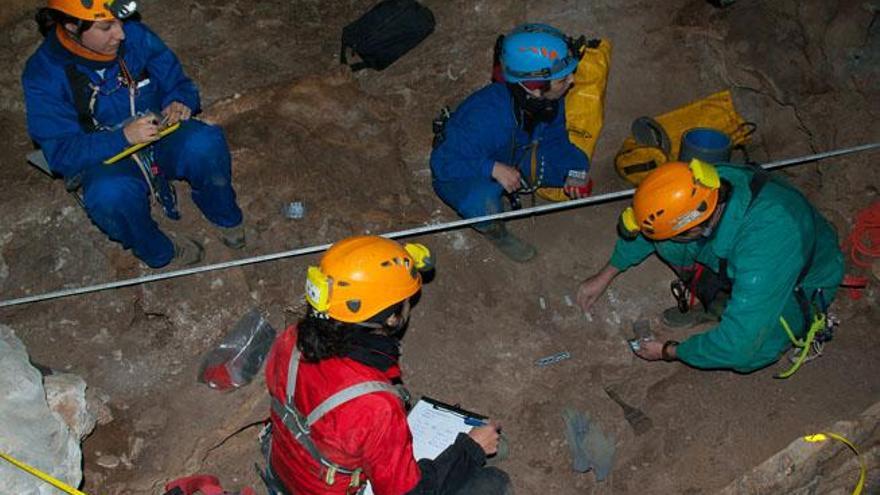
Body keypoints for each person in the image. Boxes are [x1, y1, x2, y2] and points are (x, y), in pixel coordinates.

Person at [262, 236, 512, 494]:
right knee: (493, 483)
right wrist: (471, 449)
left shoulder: (292, 339)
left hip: (288, 473)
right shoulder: (376, 405)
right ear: (391, 319)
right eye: (405, 301)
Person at [22, 0, 244, 268]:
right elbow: (61, 154)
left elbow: (179, 84)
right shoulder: (44, 74)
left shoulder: (136, 37)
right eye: (106, 27)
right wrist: (123, 138)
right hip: (106, 157)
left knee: (205, 143)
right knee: (110, 196)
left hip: (159, 134)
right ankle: (160, 251)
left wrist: (179, 101)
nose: (121, 34)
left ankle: (225, 215)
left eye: (119, 22)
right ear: (71, 26)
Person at [577, 160, 844, 373]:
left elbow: (738, 347)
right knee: (668, 243)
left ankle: (731, 306)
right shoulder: (701, 184)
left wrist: (669, 351)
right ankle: (707, 299)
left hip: (801, 279)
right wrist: (607, 273)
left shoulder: (764, 246)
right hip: (744, 244)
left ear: (695, 226)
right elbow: (654, 226)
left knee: (750, 352)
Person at [430, 23, 591, 263]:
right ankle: (495, 231)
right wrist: (492, 168)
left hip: (512, 148)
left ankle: (521, 174)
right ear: (535, 87)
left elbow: (556, 139)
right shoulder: (485, 116)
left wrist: (576, 169)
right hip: (464, 164)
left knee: (573, 164)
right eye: (563, 78)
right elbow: (442, 162)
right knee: (480, 201)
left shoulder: (549, 100)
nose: (572, 81)